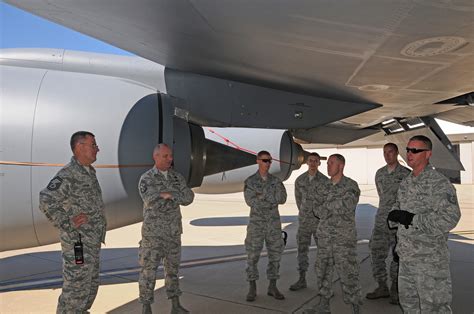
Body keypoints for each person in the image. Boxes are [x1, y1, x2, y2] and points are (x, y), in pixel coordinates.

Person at [388, 135, 461, 313]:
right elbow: (398, 211)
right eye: (408, 150)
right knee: (409, 307)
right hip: (407, 260)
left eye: (415, 150)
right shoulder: (406, 183)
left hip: (430, 262)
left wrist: (413, 219)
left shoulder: (439, 183)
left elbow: (450, 217)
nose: (409, 154)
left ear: (428, 154)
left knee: (435, 309)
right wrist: (395, 223)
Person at [39, 131, 106, 313]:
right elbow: (45, 199)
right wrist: (67, 222)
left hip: (90, 243)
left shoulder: (89, 172)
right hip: (78, 244)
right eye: (93, 145)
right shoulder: (68, 174)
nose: (97, 149)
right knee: (75, 291)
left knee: (90, 286)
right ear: (79, 147)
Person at [138, 143, 195, 314]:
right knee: (148, 272)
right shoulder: (147, 178)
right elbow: (152, 201)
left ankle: (175, 305)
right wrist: (171, 196)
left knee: (173, 271)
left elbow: (189, 197)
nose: (170, 159)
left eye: (171, 156)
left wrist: (168, 194)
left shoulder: (177, 177)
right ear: (155, 157)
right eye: (165, 156)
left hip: (173, 233)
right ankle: (146, 307)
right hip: (153, 236)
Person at [306, 154, 362, 314]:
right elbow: (316, 209)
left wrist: (327, 206)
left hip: (343, 239)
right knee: (322, 271)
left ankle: (355, 307)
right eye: (328, 163)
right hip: (324, 238)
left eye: (332, 163)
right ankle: (323, 305)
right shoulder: (322, 186)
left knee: (349, 273)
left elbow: (347, 206)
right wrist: (332, 207)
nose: (328, 166)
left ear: (341, 166)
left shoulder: (351, 185)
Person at [366, 143, 410, 304]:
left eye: (390, 152)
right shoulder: (380, 173)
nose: (387, 155)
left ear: (397, 153)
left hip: (398, 224)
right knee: (376, 253)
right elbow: (381, 196)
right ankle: (382, 287)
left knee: (397, 257)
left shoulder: (406, 174)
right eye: (385, 153)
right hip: (381, 222)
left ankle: (396, 290)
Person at [244, 150, 287, 302]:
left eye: (269, 161)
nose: (267, 163)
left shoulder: (276, 181)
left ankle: (272, 286)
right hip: (256, 225)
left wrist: (262, 195)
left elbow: (282, 198)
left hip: (273, 224)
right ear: (257, 161)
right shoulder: (250, 181)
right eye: (264, 160)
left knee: (275, 256)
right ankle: (252, 287)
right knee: (252, 256)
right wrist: (270, 198)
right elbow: (251, 201)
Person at [290, 152, 330, 291]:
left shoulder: (325, 181)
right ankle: (302, 279)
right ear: (307, 162)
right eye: (310, 160)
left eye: (315, 161)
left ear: (319, 163)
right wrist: (304, 213)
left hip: (319, 223)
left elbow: (327, 203)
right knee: (302, 251)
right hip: (304, 223)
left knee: (323, 252)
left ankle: (323, 282)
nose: (313, 163)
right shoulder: (300, 180)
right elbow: (298, 200)